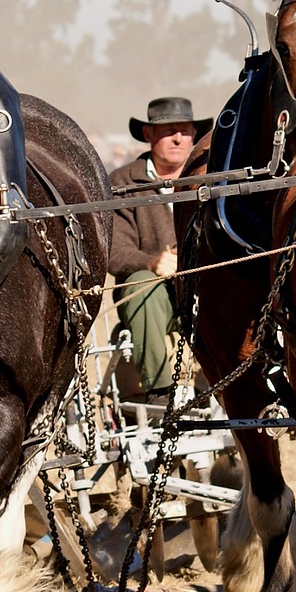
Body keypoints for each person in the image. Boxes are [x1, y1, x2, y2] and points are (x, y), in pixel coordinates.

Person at [106, 97, 211, 394]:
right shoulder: (122, 182)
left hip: (207, 291)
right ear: (149, 135)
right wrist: (153, 262)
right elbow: (114, 251)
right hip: (154, 300)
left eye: (184, 131)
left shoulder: (214, 175)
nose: (178, 138)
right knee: (142, 283)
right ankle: (160, 392)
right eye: (168, 131)